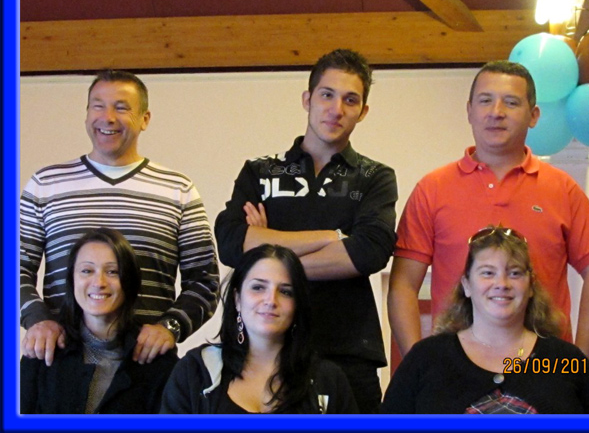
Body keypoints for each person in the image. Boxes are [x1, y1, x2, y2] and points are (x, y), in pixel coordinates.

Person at [214, 49, 398, 413]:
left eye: (350, 100)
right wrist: (330, 237)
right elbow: (232, 241)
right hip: (261, 350)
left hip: (348, 351)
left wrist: (267, 253)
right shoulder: (260, 172)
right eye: (327, 95)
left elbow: (369, 251)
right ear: (307, 99)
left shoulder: (375, 177)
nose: (336, 109)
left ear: (363, 111)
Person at [388, 60, 589, 359]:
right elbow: (403, 284)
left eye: (511, 102)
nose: (496, 112)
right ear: (469, 111)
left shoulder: (563, 189)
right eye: (485, 100)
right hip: (454, 367)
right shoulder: (432, 189)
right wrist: (419, 365)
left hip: (543, 366)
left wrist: (580, 365)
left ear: (534, 115)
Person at [20, 70, 220, 367]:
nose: (108, 117)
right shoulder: (45, 184)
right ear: (87, 115)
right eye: (98, 106)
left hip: (146, 367)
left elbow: (205, 281)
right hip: (61, 362)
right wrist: (37, 319)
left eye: (122, 108)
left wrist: (170, 327)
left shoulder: (178, 190)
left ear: (145, 119)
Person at [382, 226, 589, 414]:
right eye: (487, 272)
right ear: (466, 285)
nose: (502, 284)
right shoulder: (425, 359)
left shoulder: (568, 360)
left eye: (514, 273)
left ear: (531, 286)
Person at [161, 244, 358, 413]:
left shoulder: (329, 381)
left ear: (297, 305)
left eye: (285, 292)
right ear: (237, 299)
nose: (271, 300)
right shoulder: (194, 372)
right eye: (258, 287)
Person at [21, 228, 178, 414]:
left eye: (112, 271)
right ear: (72, 280)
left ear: (129, 280)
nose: (99, 282)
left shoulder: (160, 362)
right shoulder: (42, 351)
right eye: (86, 271)